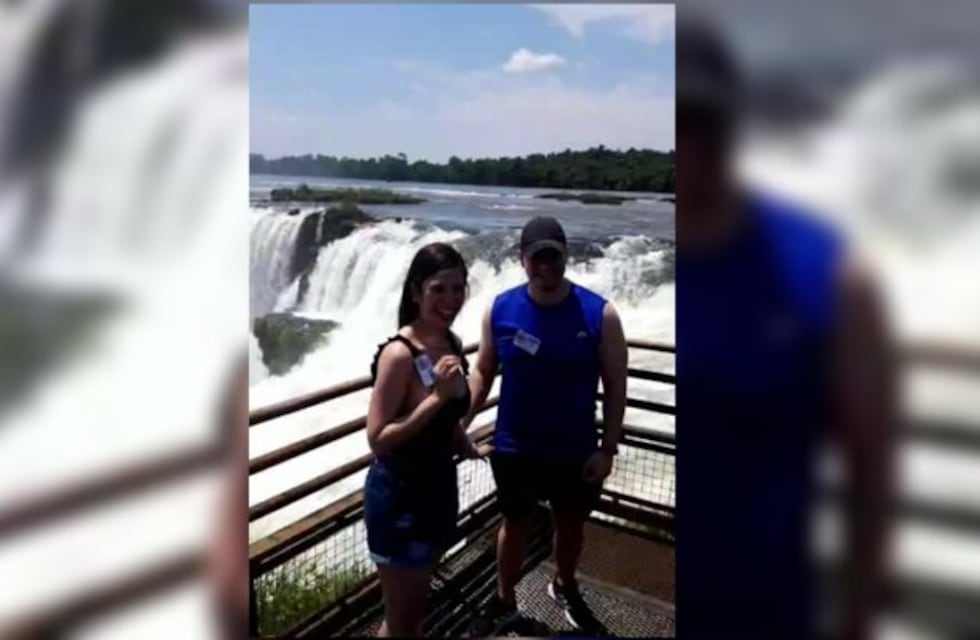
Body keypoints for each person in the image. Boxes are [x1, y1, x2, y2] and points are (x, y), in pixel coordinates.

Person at [675, 16, 896, 640]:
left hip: (772, 596)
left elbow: (871, 462)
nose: (691, 143)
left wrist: (860, 608)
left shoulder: (829, 270)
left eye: (702, 120)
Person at [466, 216, 629, 635]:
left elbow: (615, 386)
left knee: (570, 525)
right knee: (514, 524)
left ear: (565, 257)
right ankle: (504, 597)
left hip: (575, 449)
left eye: (554, 257)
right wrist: (459, 422)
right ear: (522, 259)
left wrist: (607, 449)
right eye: (538, 257)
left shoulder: (600, 314)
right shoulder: (500, 309)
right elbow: (483, 371)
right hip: (515, 447)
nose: (546, 266)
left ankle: (565, 583)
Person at [363, 242, 484, 637]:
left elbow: (447, 417)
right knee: (402, 620)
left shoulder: (451, 344)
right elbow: (378, 439)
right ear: (416, 292)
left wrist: (463, 441)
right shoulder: (398, 355)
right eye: (438, 289)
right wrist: (436, 399)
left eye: (458, 288)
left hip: (437, 493)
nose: (450, 299)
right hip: (401, 501)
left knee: (413, 613)